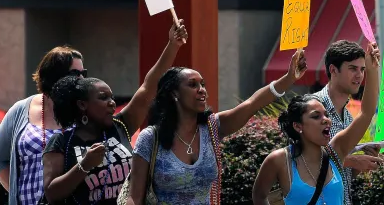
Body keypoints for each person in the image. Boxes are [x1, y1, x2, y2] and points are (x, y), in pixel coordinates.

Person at [0, 21, 187, 205]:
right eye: (103, 97)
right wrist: (85, 165)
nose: (112, 103)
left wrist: (172, 46)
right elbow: (51, 193)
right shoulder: (61, 142)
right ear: (83, 105)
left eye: (112, 97)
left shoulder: (120, 126)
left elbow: (147, 89)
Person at [126, 49, 310, 205]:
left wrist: (289, 78)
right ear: (174, 94)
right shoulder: (151, 138)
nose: (201, 89)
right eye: (192, 85)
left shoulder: (213, 127)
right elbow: (134, 197)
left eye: (203, 84)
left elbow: (253, 103)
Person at [252, 44, 380, 204]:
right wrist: (353, 160)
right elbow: (259, 195)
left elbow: (366, 113)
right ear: (298, 126)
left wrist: (373, 69)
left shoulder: (336, 147)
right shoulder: (280, 159)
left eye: (326, 115)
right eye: (316, 116)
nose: (326, 120)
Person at [311, 40, 382, 205]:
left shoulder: (348, 117)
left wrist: (362, 160)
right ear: (333, 70)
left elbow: (343, 173)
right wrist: (353, 160)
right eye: (352, 69)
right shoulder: (310, 107)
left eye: (363, 69)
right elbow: (305, 161)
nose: (359, 75)